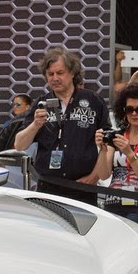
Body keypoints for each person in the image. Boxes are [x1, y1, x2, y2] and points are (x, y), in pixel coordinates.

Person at [13, 47, 107, 204]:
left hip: (83, 187)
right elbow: (19, 145)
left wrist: (95, 175)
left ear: (72, 73)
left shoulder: (93, 100)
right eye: (50, 74)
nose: (55, 78)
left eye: (60, 73)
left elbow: (108, 143)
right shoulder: (41, 103)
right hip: (48, 186)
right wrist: (35, 125)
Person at [93, 82, 138, 225]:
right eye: (129, 109)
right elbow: (103, 175)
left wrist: (129, 153)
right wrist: (102, 150)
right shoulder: (116, 136)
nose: (134, 114)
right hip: (112, 203)